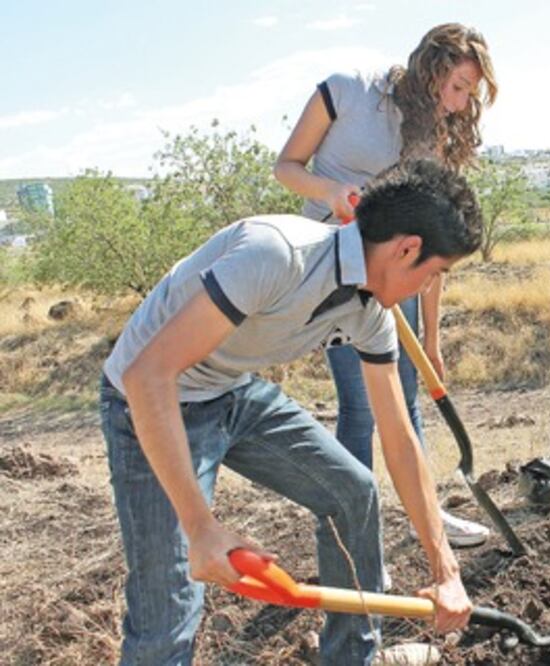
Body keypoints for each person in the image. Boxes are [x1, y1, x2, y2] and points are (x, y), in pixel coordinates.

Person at [100, 160, 479, 665]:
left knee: (351, 491)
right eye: (435, 274)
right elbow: (148, 376)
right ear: (407, 248)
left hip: (231, 391)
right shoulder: (277, 255)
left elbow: (399, 438)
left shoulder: (371, 313)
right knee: (170, 606)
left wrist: (444, 570)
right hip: (149, 402)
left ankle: (352, 658)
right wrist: (200, 527)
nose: (429, 288)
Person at [274, 23, 498, 547]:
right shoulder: (348, 90)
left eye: (471, 92)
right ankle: (355, 531)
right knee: (360, 404)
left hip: (396, 277)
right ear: (432, 70)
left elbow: (432, 248)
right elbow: (286, 166)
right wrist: (332, 191)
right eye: (459, 86)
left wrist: (433, 342)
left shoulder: (433, 136)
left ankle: (429, 518)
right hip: (335, 270)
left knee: (408, 396)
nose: (463, 103)